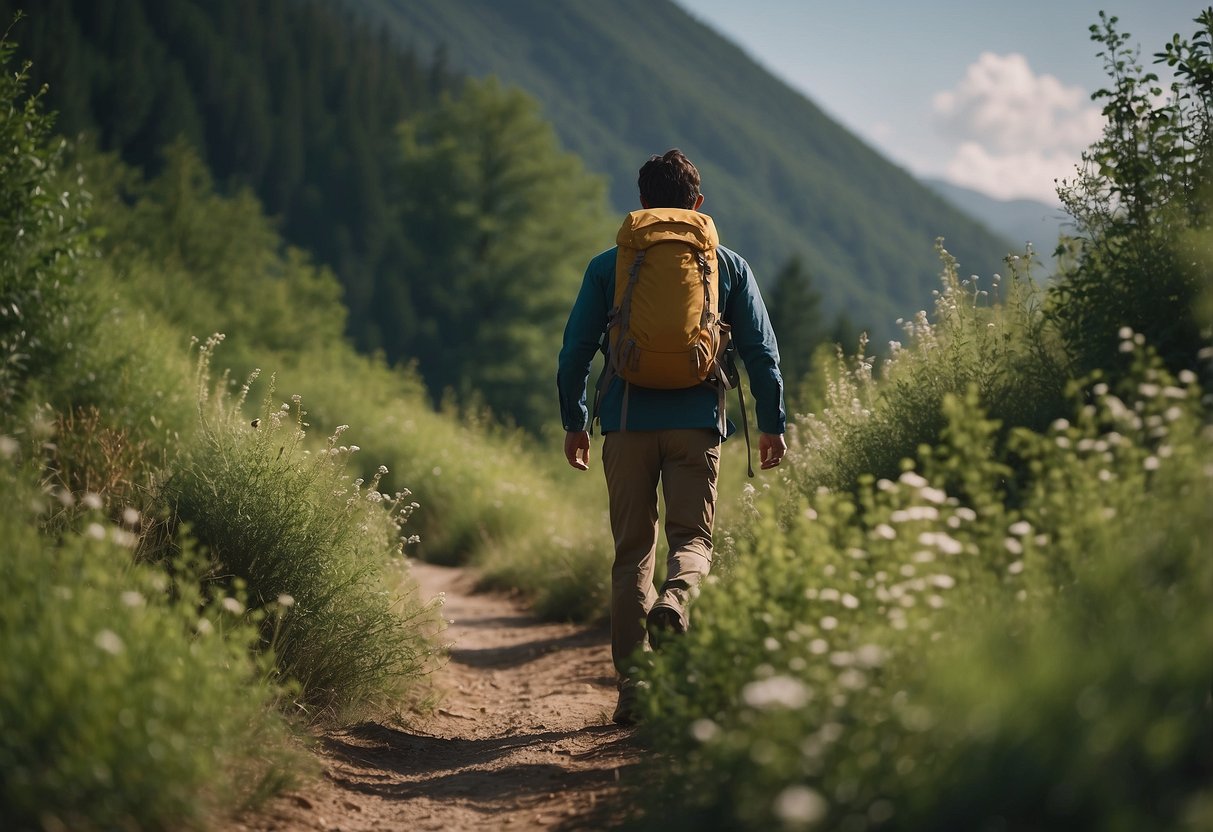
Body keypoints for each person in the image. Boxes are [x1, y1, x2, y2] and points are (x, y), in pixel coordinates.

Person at [557, 149, 786, 726]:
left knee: (632, 552)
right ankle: (677, 598)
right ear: (698, 204)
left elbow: (574, 353)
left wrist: (575, 420)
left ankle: (635, 687)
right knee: (693, 541)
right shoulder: (725, 264)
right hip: (696, 427)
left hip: (628, 424)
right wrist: (772, 424)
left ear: (641, 203)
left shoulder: (608, 266)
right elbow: (761, 352)